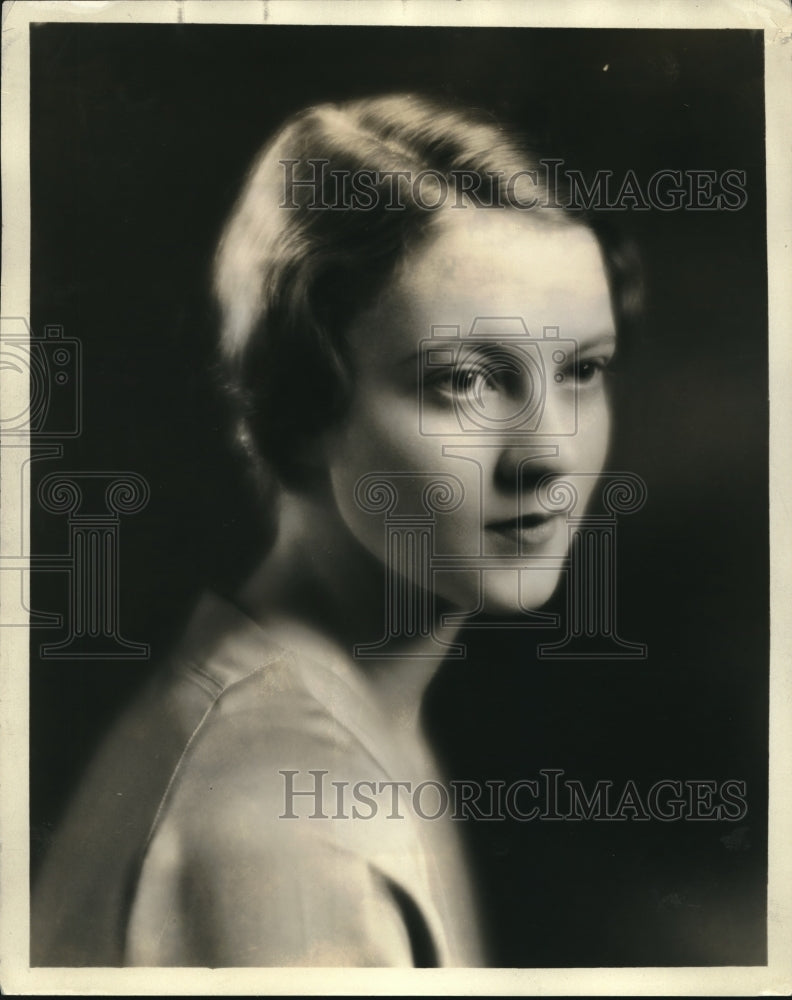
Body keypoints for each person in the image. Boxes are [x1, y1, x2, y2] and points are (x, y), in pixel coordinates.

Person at [31, 93, 639, 967]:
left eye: (583, 369)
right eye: (465, 380)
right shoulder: (290, 818)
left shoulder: (331, 710)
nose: (547, 453)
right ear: (303, 403)